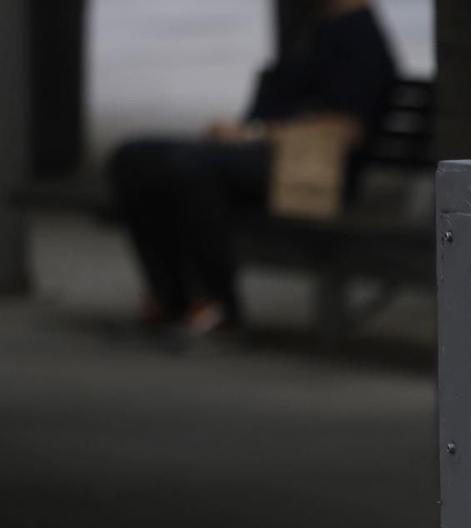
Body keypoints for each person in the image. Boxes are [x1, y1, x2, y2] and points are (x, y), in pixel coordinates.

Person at [106, 0, 397, 339]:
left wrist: (254, 133)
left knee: (189, 169)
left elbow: (347, 129)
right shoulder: (317, 27)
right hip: (259, 153)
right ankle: (168, 297)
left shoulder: (360, 37)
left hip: (304, 171)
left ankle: (218, 304)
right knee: (133, 158)